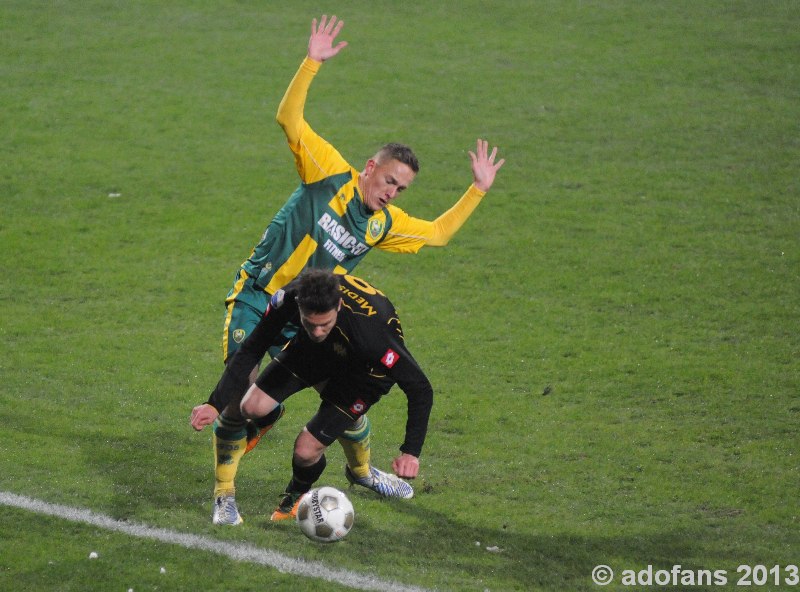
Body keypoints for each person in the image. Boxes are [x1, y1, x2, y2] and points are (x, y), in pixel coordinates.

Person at [189, 14, 504, 524]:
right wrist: (311, 62)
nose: (393, 193)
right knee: (241, 399)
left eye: (402, 189)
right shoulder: (327, 171)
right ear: (370, 168)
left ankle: (363, 472)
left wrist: (477, 190)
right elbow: (289, 120)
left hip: (317, 318)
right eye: (390, 181)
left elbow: (439, 234)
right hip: (260, 297)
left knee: (345, 399)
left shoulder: (383, 224)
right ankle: (225, 494)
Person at [206, 270, 434, 522]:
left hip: (365, 376)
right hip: (318, 352)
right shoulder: (292, 295)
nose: (316, 331)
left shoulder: (373, 336)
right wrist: (214, 403)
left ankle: (299, 493)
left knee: (306, 451)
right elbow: (253, 347)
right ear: (300, 305)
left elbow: (420, 388)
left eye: (324, 323)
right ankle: (274, 418)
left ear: (338, 305)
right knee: (250, 406)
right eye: (309, 323)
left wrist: (410, 452)